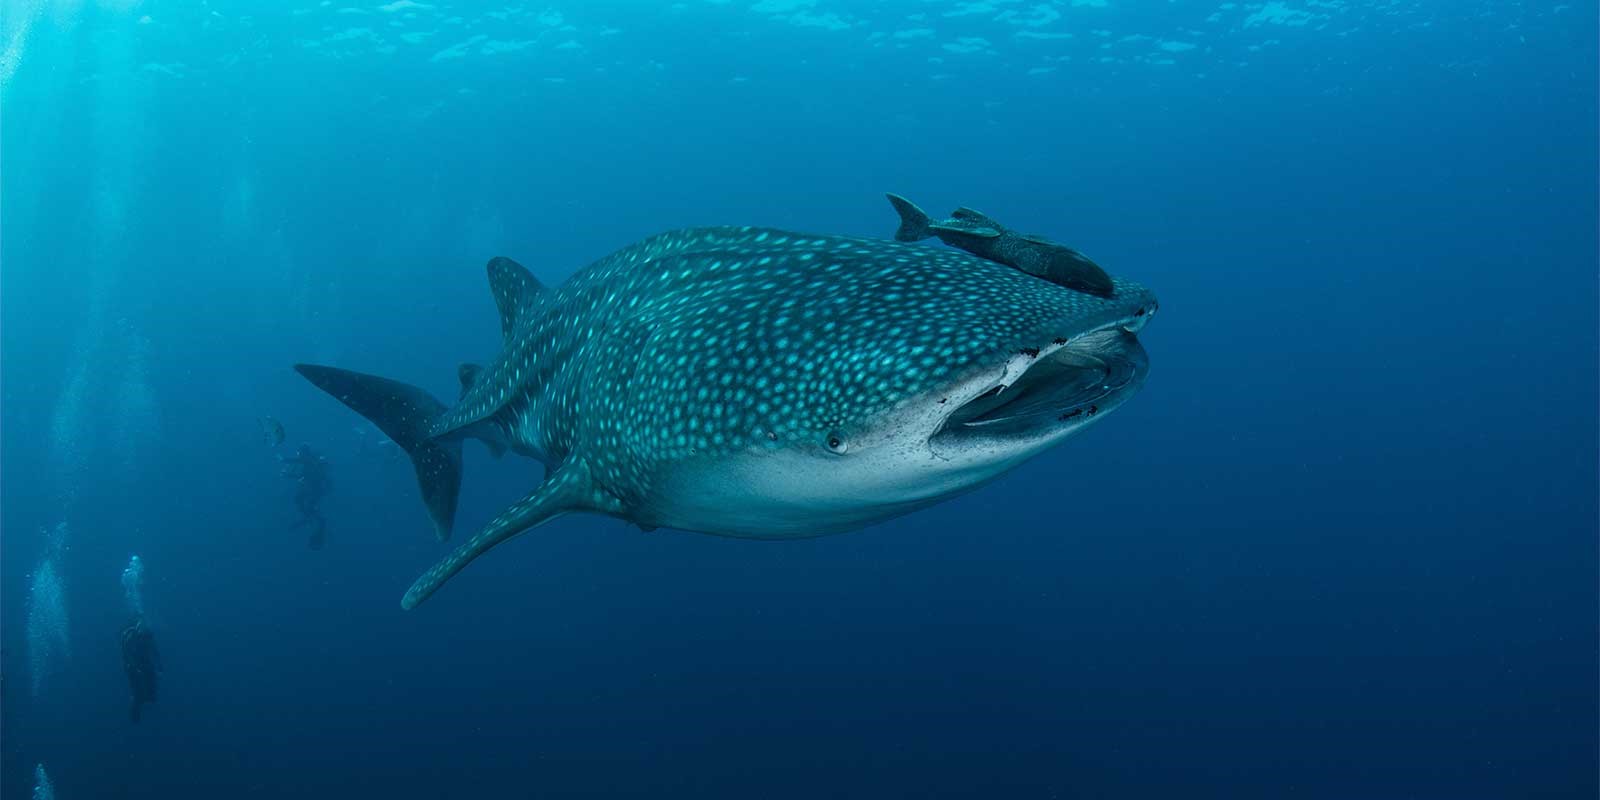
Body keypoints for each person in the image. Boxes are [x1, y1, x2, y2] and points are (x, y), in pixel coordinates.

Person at [280, 443, 332, 549]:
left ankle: (316, 522)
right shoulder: (309, 461)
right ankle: (310, 517)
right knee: (299, 500)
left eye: (299, 453)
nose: (298, 455)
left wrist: (284, 460)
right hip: (313, 488)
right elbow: (303, 474)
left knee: (307, 505)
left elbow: (301, 467)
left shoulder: (308, 460)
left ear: (304, 453)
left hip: (316, 489)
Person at [120, 617, 160, 723]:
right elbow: (126, 654)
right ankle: (135, 711)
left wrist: (159, 665)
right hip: (132, 666)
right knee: (137, 693)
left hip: (144, 663)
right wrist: (134, 668)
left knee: (151, 695)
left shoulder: (148, 636)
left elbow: (154, 650)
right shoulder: (130, 636)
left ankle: (147, 699)